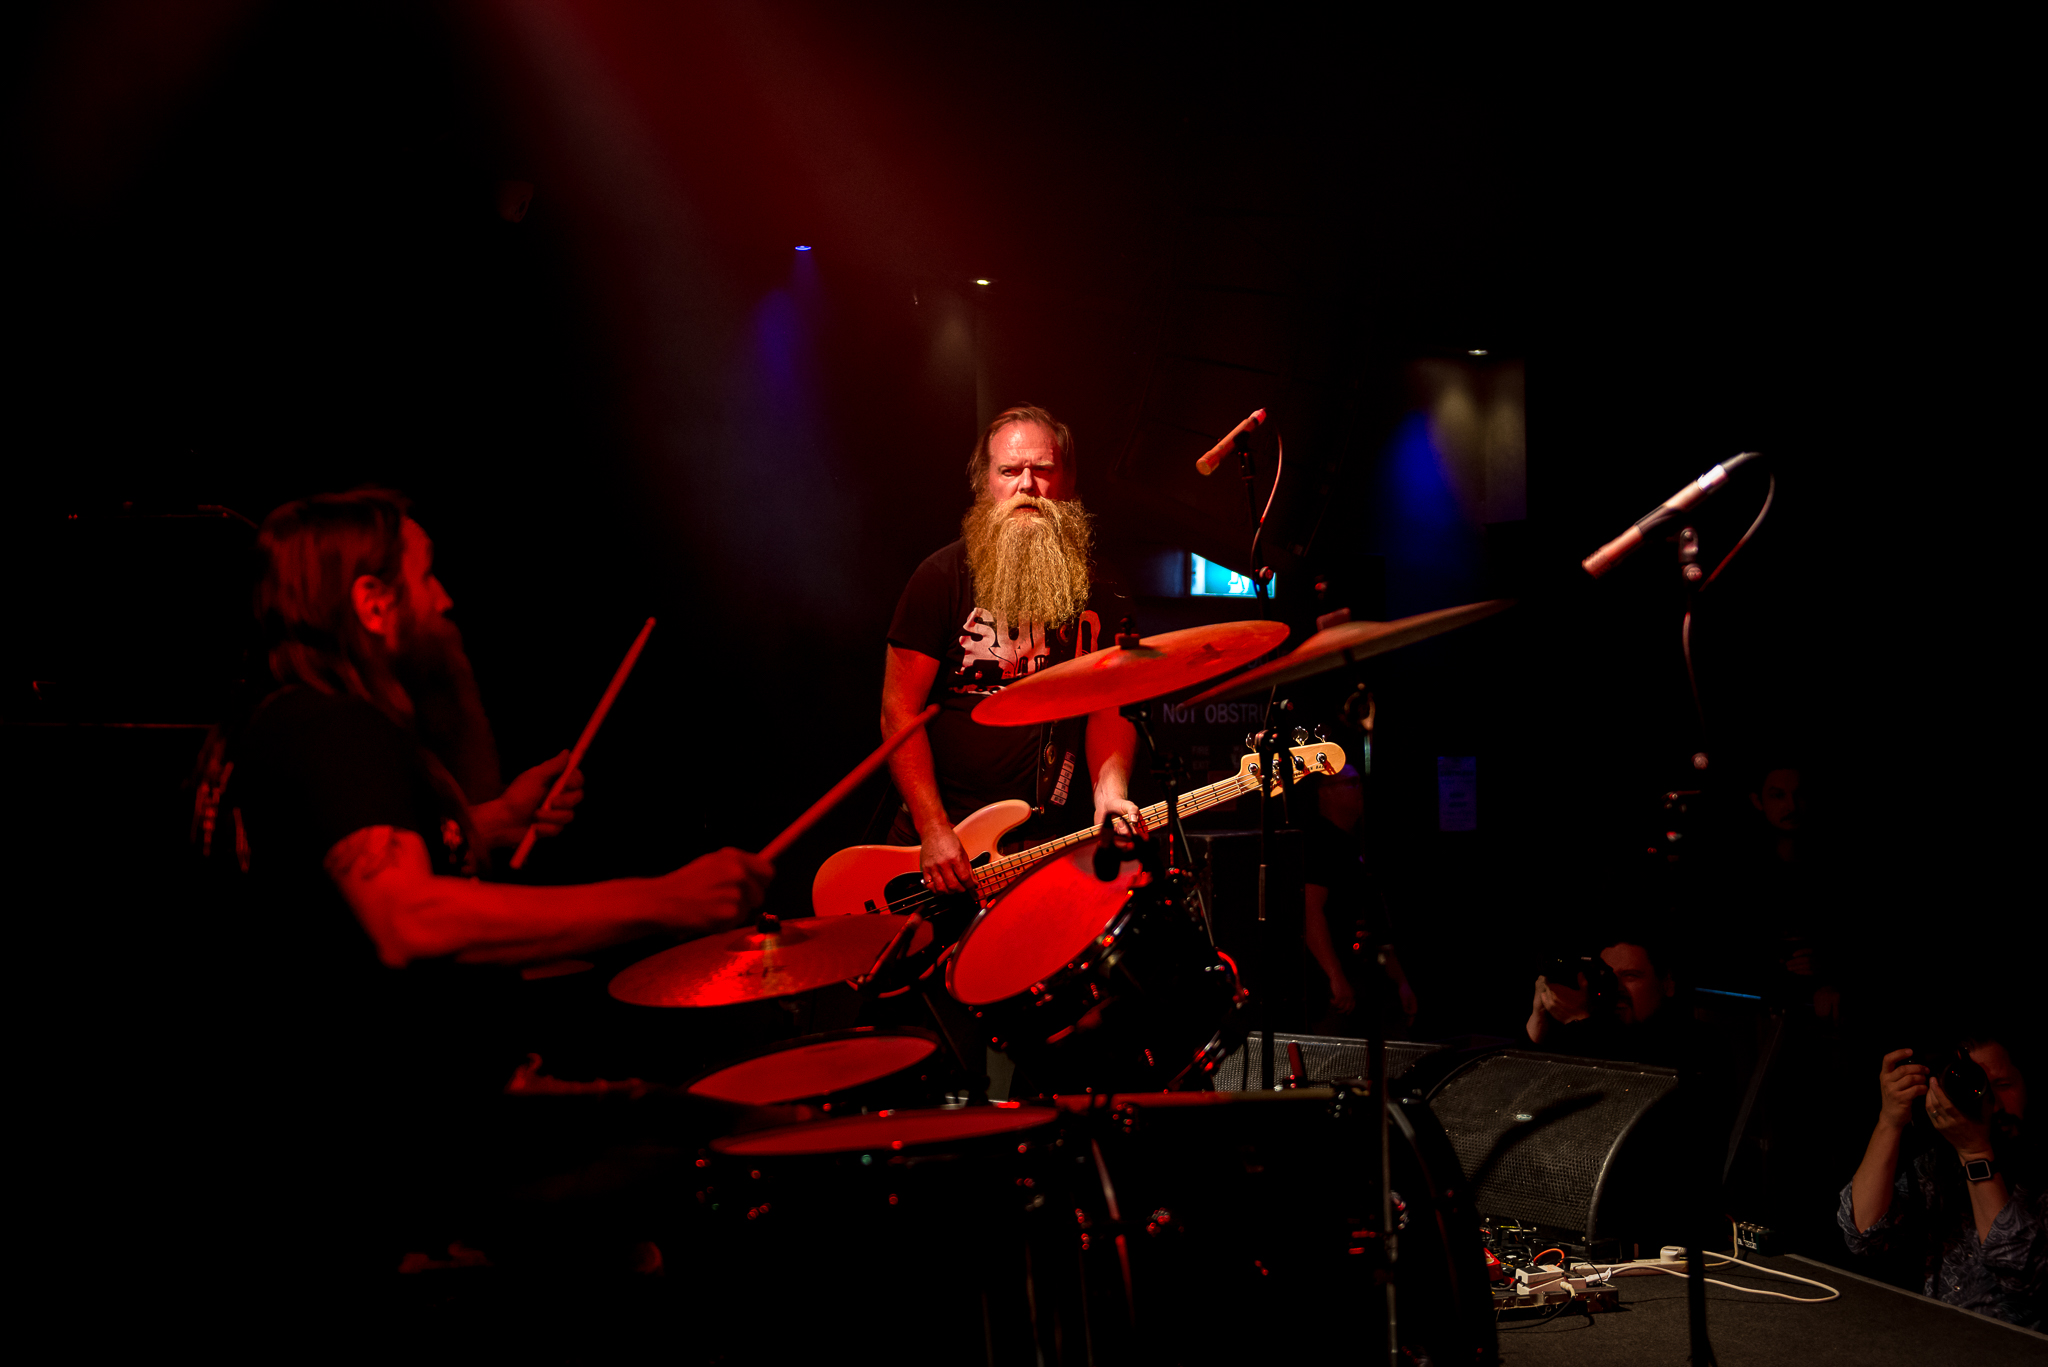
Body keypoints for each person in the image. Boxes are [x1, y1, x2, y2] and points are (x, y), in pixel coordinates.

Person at [207, 488, 772, 1283]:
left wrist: (493, 821)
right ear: (373, 601)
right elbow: (407, 916)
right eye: (427, 576)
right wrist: (668, 898)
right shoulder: (334, 727)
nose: (446, 599)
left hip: (384, 1142)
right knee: (762, 1149)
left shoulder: (275, 722)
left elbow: (331, 877)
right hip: (415, 1154)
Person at [880, 404, 1139, 894]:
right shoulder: (939, 578)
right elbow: (899, 712)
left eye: (1042, 469)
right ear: (985, 484)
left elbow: (1110, 707)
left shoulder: (1103, 588)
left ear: (1066, 481)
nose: (1027, 485)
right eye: (1009, 470)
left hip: (1048, 843)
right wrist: (933, 828)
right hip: (944, 843)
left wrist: (1110, 795)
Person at [1839, 1029, 2044, 1328]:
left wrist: (1975, 1153)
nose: (1993, 1105)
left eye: (2003, 1085)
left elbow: (2022, 1275)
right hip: (1937, 1341)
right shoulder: (1940, 1164)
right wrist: (1890, 1120)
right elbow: (1863, 1236)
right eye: (1977, 1088)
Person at [1524, 935, 1685, 1065]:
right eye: (1605, 975)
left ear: (1668, 984)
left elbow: (1624, 1081)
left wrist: (1578, 1019)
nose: (1614, 986)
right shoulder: (1591, 1031)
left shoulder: (1684, 1044)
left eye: (1630, 975)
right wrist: (1538, 1020)